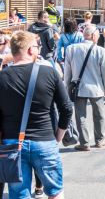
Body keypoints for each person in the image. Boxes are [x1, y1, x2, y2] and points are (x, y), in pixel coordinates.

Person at [0, 31, 73, 199]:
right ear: (30, 50)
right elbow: (67, 108)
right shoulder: (49, 73)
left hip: (12, 144)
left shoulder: (2, 77)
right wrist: (58, 137)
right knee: (55, 192)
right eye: (36, 46)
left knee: (19, 194)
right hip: (45, 140)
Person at [64, 24, 105, 151]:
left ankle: (84, 143)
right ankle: (100, 139)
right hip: (96, 88)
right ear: (94, 36)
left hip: (78, 88)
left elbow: (67, 72)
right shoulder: (101, 51)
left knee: (80, 116)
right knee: (99, 114)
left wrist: (66, 86)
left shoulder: (71, 49)